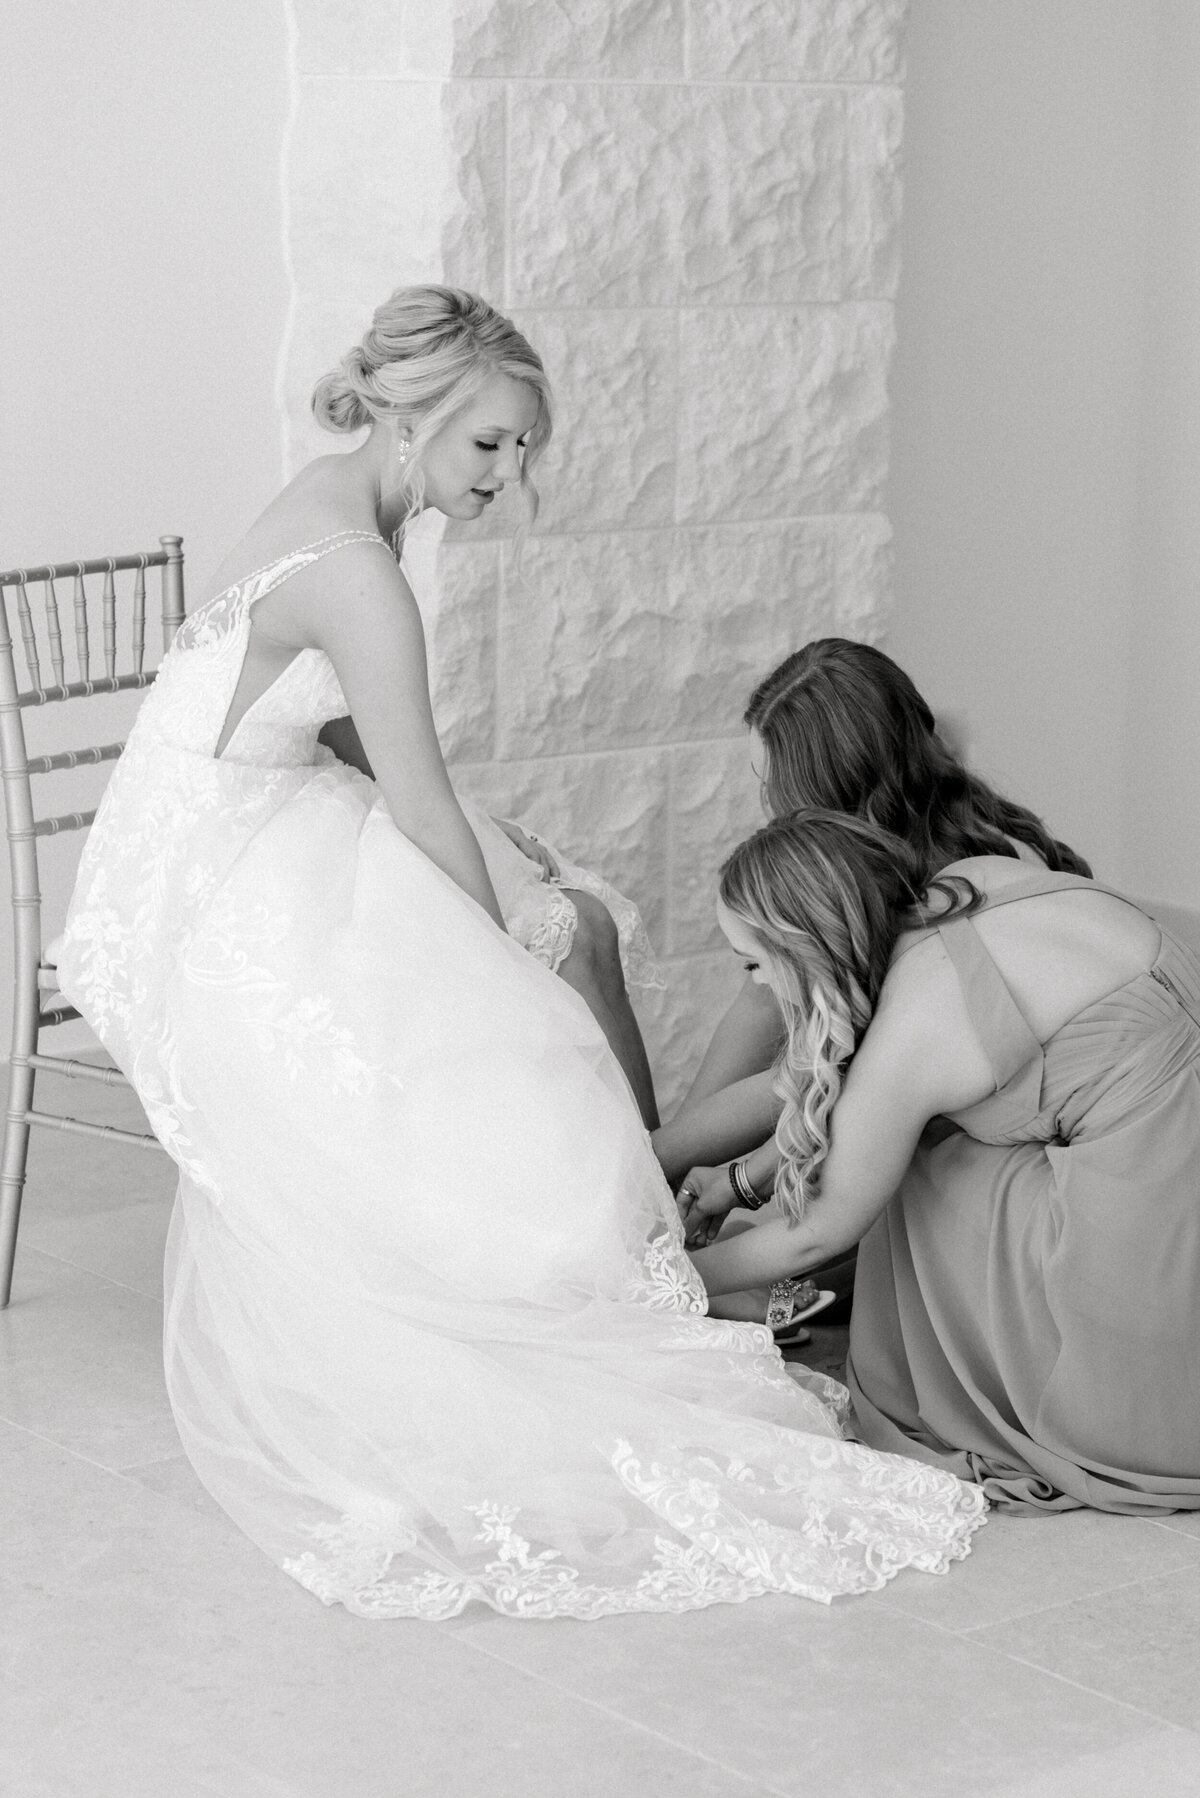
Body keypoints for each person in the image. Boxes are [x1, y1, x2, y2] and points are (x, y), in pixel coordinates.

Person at [56, 286, 985, 1618]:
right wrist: (488, 942)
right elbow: (418, 799)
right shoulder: (363, 574)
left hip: (230, 805)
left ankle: (637, 1220)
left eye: (525, 447)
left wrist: (487, 868)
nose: (511, 474)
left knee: (559, 920)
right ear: (409, 415)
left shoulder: (335, 498)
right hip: (210, 867)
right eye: (491, 443)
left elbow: (332, 734)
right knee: (524, 975)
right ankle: (606, 1253)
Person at [684, 808, 1200, 1514]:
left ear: (805, 947)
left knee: (920, 1162)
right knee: (909, 1131)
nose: (763, 988)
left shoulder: (918, 1022)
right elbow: (842, 1077)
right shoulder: (974, 884)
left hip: (1159, 1284)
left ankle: (1055, 1396)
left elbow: (821, 1229)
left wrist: (674, 1276)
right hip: (1179, 1171)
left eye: (754, 964)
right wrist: (743, 1178)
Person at [654, 638, 1093, 1333]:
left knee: (782, 1232)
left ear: (829, 791)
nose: (768, 810)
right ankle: (666, 1190)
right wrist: (725, 1175)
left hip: (1001, 1165)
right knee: (770, 986)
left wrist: (668, 1175)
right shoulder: (973, 832)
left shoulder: (933, 903)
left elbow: (832, 1072)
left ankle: (661, 1196)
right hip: (931, 1131)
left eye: (775, 792)